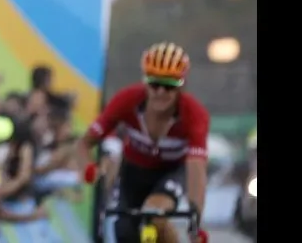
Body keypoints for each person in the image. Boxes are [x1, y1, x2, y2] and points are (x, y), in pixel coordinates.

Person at [76, 42, 210, 243]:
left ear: (181, 86)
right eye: (154, 84)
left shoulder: (194, 114)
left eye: (169, 86)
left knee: (154, 213)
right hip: (133, 171)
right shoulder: (126, 100)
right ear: (144, 81)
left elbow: (197, 170)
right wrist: (89, 169)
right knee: (124, 232)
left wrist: (196, 225)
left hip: (172, 170)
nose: (161, 92)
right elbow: (83, 144)